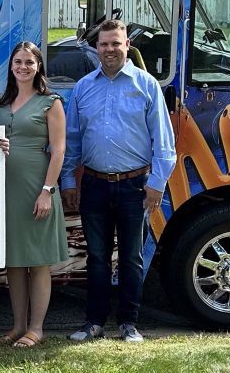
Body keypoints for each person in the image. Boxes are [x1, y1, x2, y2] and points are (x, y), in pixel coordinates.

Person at [61, 19, 177, 343]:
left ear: (127, 46)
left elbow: (164, 142)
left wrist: (157, 183)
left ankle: (129, 323)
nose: (110, 49)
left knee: (131, 257)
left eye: (116, 43)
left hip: (134, 186)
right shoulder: (83, 88)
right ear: (95, 48)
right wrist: (68, 180)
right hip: (95, 185)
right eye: (104, 44)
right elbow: (73, 140)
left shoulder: (147, 85)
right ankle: (94, 322)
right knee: (96, 258)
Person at [0, 42, 69, 349]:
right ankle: (17, 325)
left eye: (29, 62)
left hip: (37, 187)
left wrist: (47, 191)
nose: (23, 67)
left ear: (38, 67)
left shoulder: (50, 102)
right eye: (18, 61)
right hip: (6, 188)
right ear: (11, 66)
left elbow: (59, 149)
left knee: (37, 261)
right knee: (14, 261)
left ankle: (36, 328)